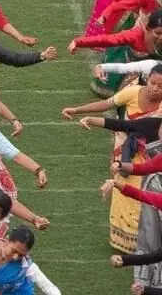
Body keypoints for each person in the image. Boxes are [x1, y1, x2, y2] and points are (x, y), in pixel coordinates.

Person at [61, 64, 162, 252]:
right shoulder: (132, 92)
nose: (155, 88)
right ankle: (128, 242)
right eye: (153, 82)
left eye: (161, 86)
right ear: (147, 79)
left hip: (153, 155)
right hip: (126, 149)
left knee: (148, 197)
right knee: (126, 194)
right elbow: (110, 109)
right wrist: (78, 110)